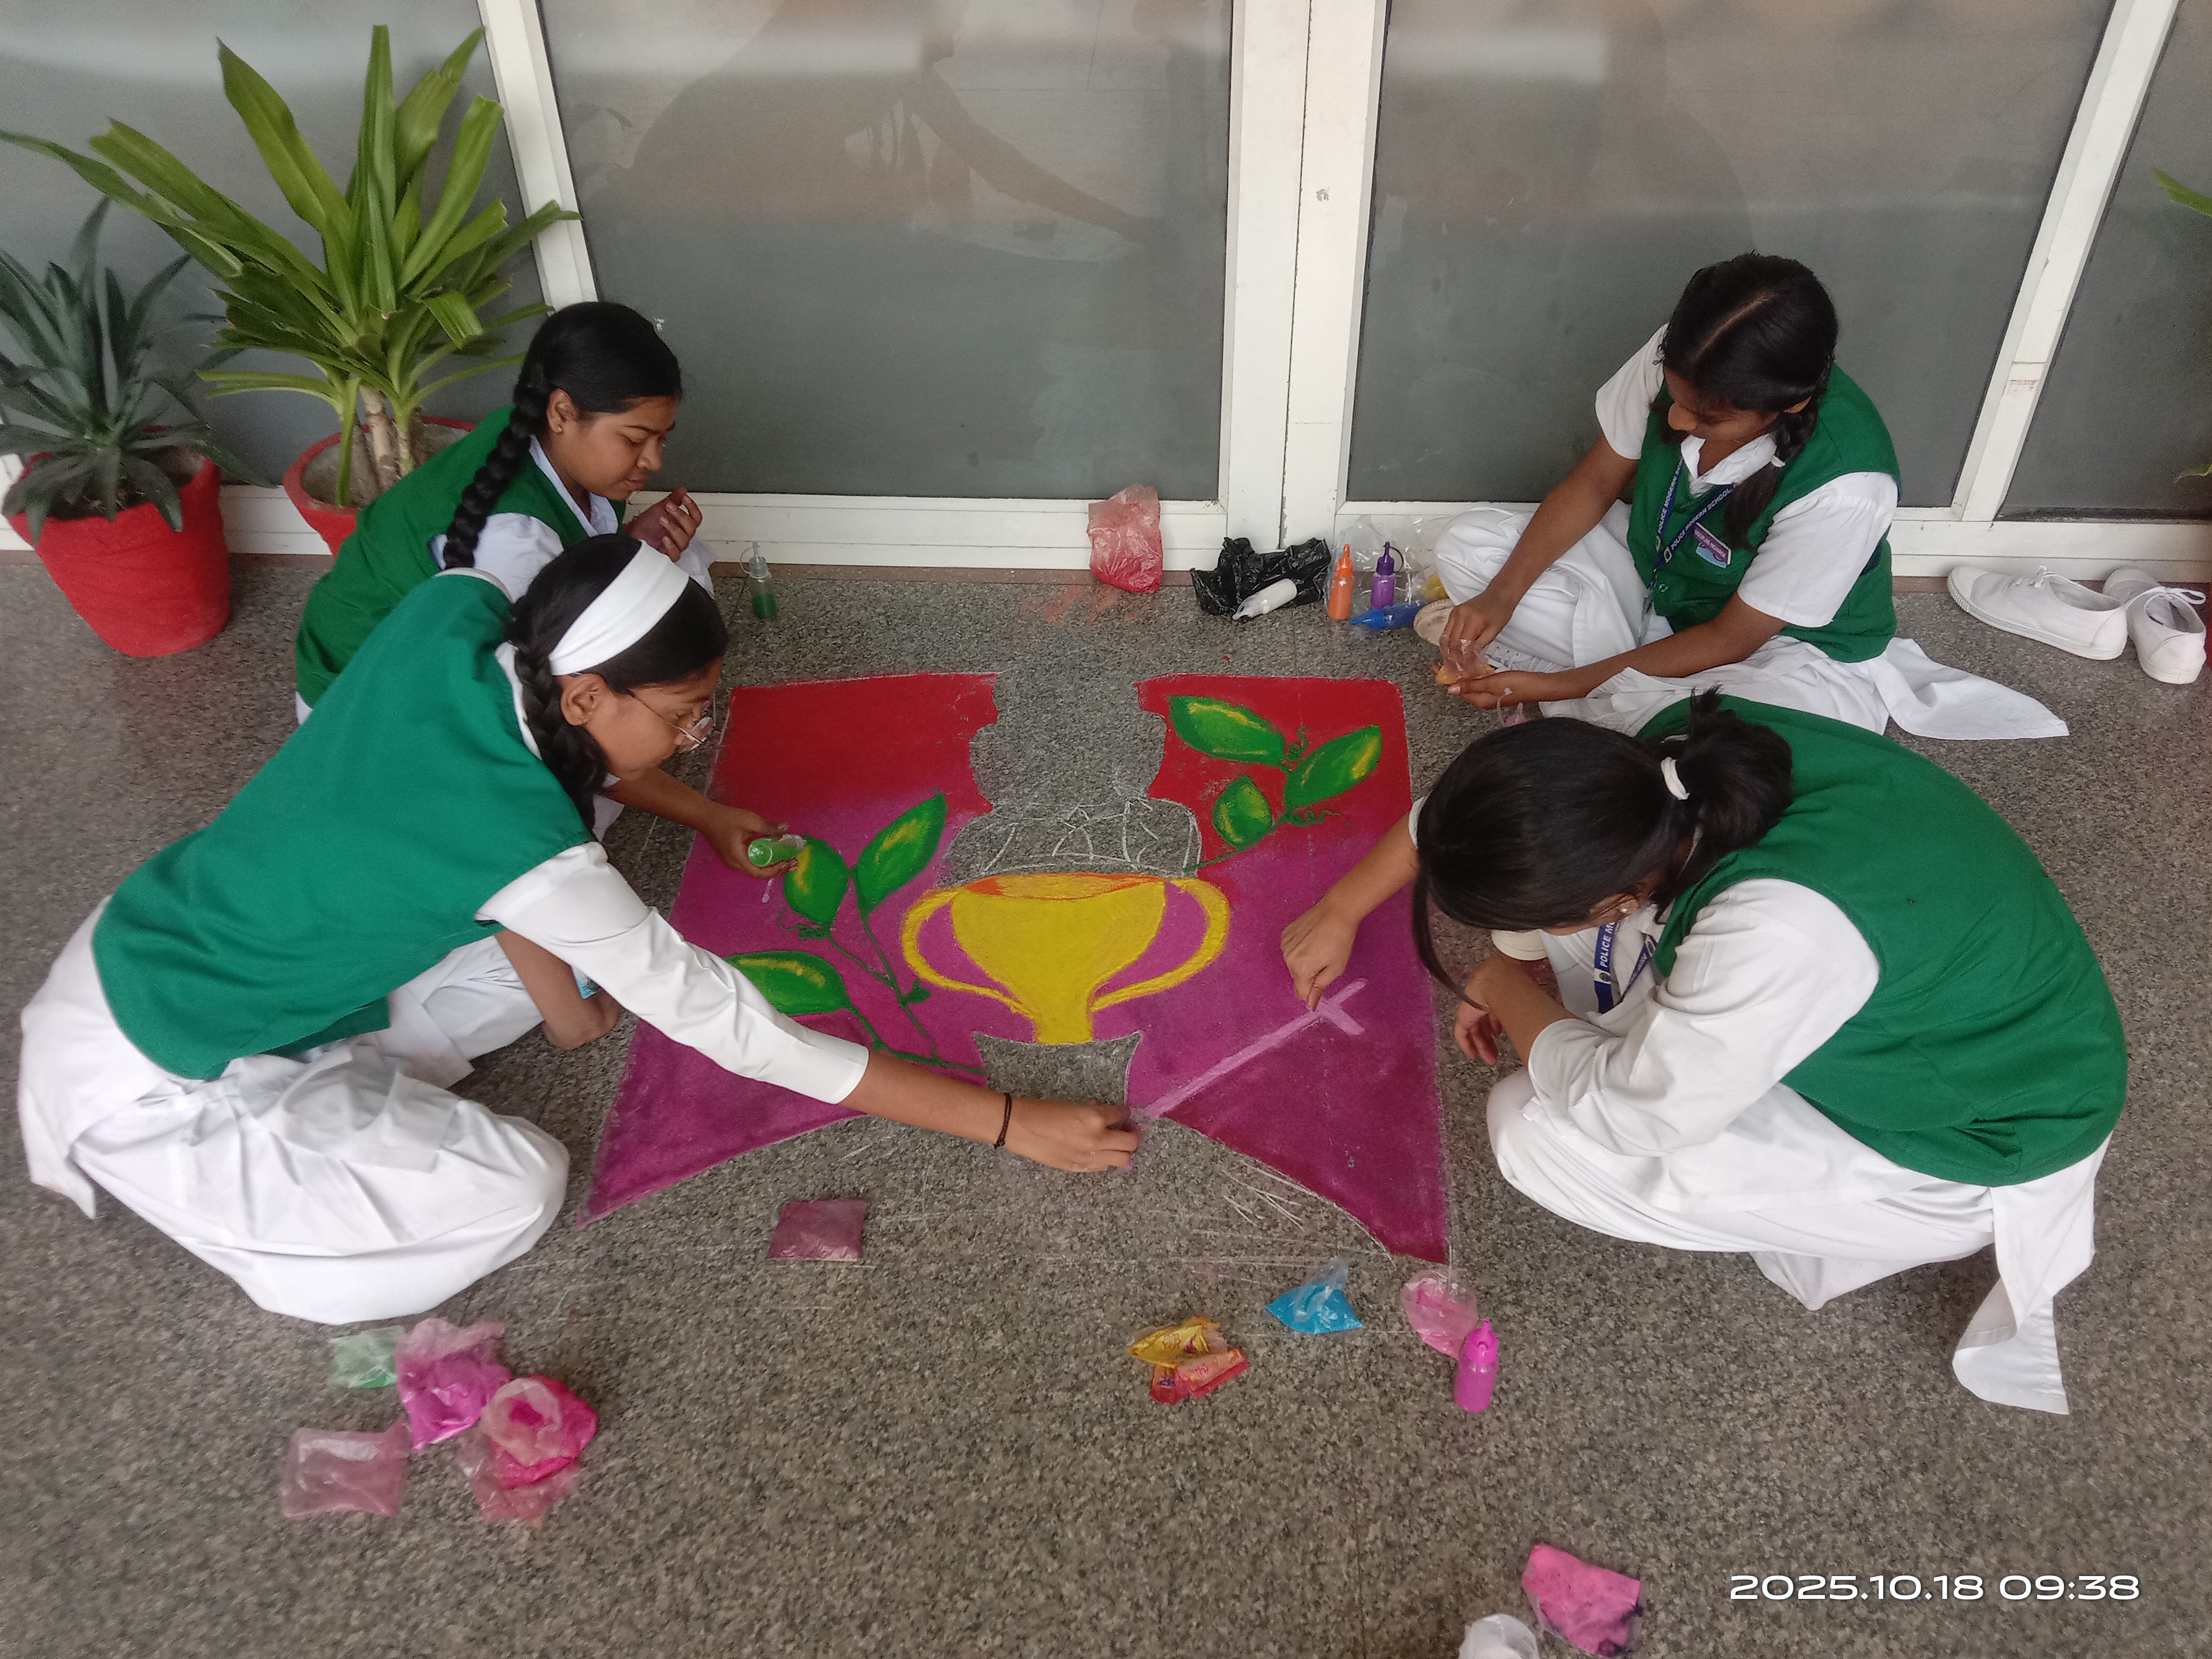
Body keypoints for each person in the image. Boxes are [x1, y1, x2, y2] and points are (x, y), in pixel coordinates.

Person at [19, 538, 1137, 1325]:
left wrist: (689, 832)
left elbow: (523, 790)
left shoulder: (459, 609)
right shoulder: (531, 851)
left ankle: (338, 1092)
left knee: (542, 972)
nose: (695, 739)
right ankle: (260, 1224)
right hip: (152, 1068)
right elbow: (746, 1036)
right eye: (683, 715)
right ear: (589, 695)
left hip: (168, 931)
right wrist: (1009, 1123)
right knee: (520, 1187)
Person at [1281, 693, 2124, 1413]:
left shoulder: (1774, 931)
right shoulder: (1664, 757)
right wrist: (1342, 907)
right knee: (1569, 972)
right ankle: (1618, 1001)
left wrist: (1503, 983)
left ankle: (1899, 1218)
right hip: (1953, 1014)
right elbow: (1484, 811)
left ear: (1619, 898)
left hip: (1979, 1142)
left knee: (1532, 1126)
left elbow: (1631, 1114)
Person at [1432, 254, 2064, 741]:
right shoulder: (1682, 356)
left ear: (1788, 404)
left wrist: (1556, 685)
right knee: (1470, 548)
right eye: (1676, 398)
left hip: (1777, 650)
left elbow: (1731, 640)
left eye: (1707, 419)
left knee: (1750, 735)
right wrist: (1501, 595)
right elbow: (1595, 482)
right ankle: (1625, 690)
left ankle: (1607, 687)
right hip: (1660, 578)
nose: (1676, 421)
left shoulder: (1846, 484)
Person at [293, 300, 765, 853]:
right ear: (562, 411)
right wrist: (707, 816)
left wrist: (626, 540)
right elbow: (546, 708)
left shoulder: (538, 435)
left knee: (669, 574)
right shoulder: (513, 545)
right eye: (635, 439)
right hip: (364, 717)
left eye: (662, 439)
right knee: (549, 820)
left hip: (442, 658)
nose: (653, 461)